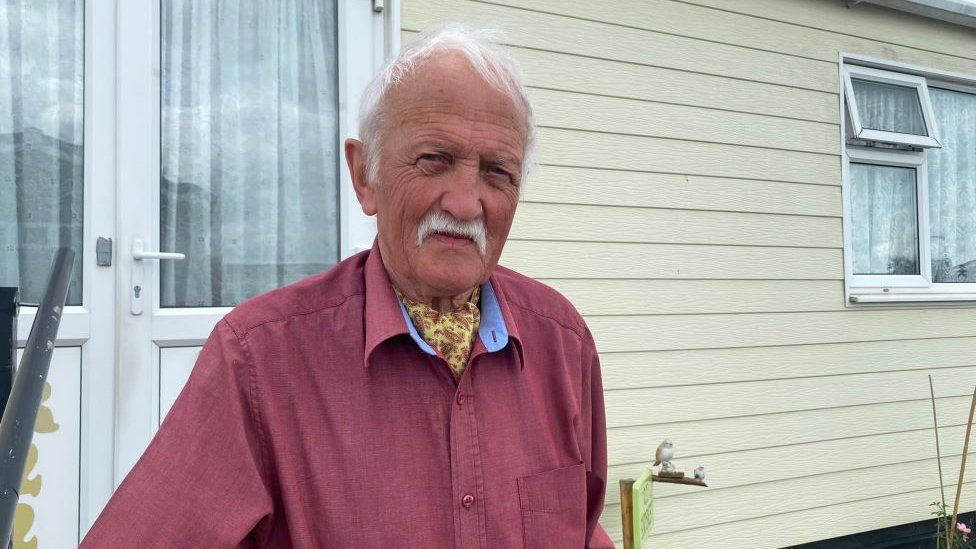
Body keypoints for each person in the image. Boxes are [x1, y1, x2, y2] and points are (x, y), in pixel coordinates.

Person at [82, 24, 613, 548]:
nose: (465, 203)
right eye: (434, 160)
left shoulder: (562, 342)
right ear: (365, 175)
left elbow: (583, 529)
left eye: (497, 172)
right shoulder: (259, 360)